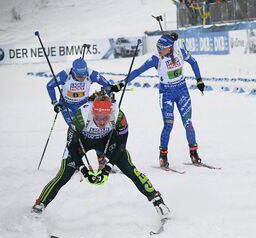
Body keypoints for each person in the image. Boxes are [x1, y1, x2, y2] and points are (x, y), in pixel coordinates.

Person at [32, 92, 170, 218]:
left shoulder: (119, 115)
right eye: (98, 117)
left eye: (106, 117)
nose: (102, 121)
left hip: (106, 141)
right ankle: (40, 204)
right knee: (64, 174)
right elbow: (71, 145)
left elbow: (122, 146)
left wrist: (108, 167)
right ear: (93, 112)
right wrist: (82, 168)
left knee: (129, 169)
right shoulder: (82, 115)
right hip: (81, 143)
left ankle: (157, 200)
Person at [127, 33, 205, 167]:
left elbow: (193, 62)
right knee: (168, 124)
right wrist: (122, 83)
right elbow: (137, 71)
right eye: (157, 47)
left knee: (188, 123)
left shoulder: (180, 52)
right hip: (166, 93)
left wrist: (199, 80)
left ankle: (194, 152)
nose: (159, 50)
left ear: (169, 47)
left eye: (161, 47)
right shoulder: (155, 59)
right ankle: (163, 155)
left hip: (182, 91)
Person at [47, 58, 123, 168]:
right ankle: (72, 160)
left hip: (83, 106)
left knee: (95, 129)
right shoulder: (65, 74)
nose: (83, 79)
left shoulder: (92, 74)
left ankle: (101, 157)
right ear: (73, 72)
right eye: (79, 77)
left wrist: (111, 92)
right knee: (76, 131)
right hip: (67, 106)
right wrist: (55, 103)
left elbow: (106, 85)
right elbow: (50, 86)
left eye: (84, 76)